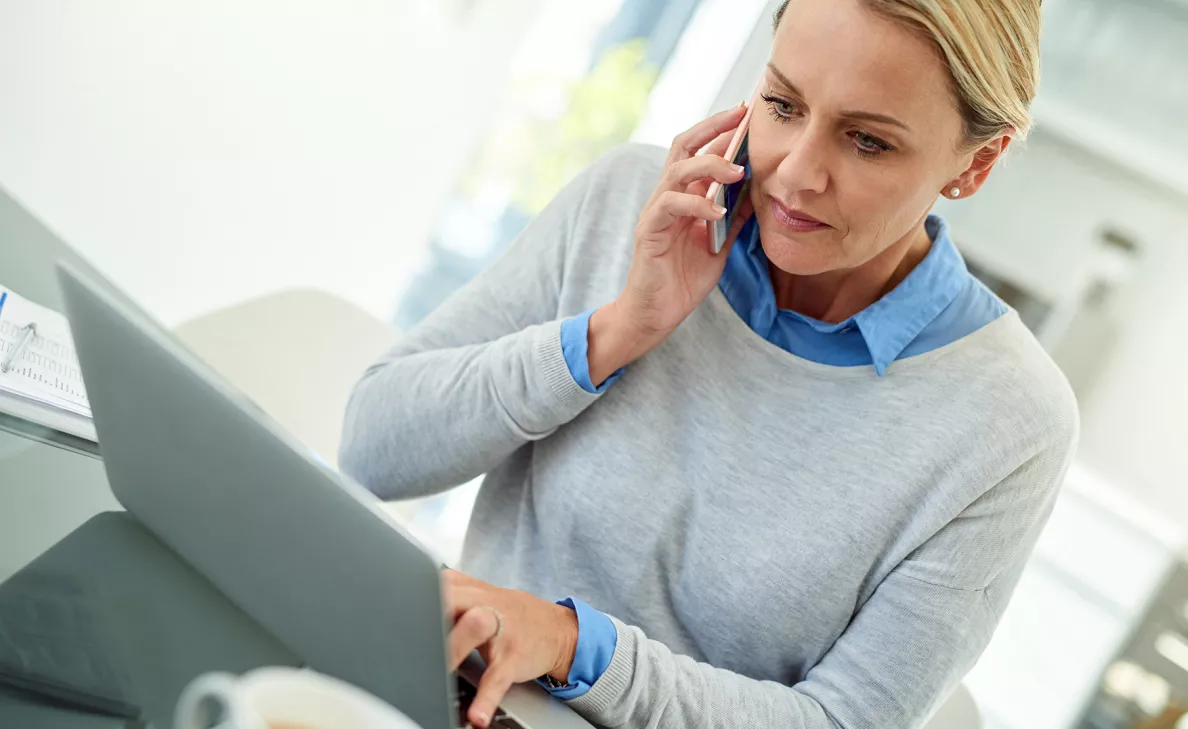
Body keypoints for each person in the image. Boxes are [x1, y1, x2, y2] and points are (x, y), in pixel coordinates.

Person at [339, 0, 1079, 727]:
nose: (795, 172)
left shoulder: (1011, 419)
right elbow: (375, 450)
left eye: (867, 142)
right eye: (783, 104)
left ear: (977, 163)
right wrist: (621, 326)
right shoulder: (631, 201)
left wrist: (572, 644)